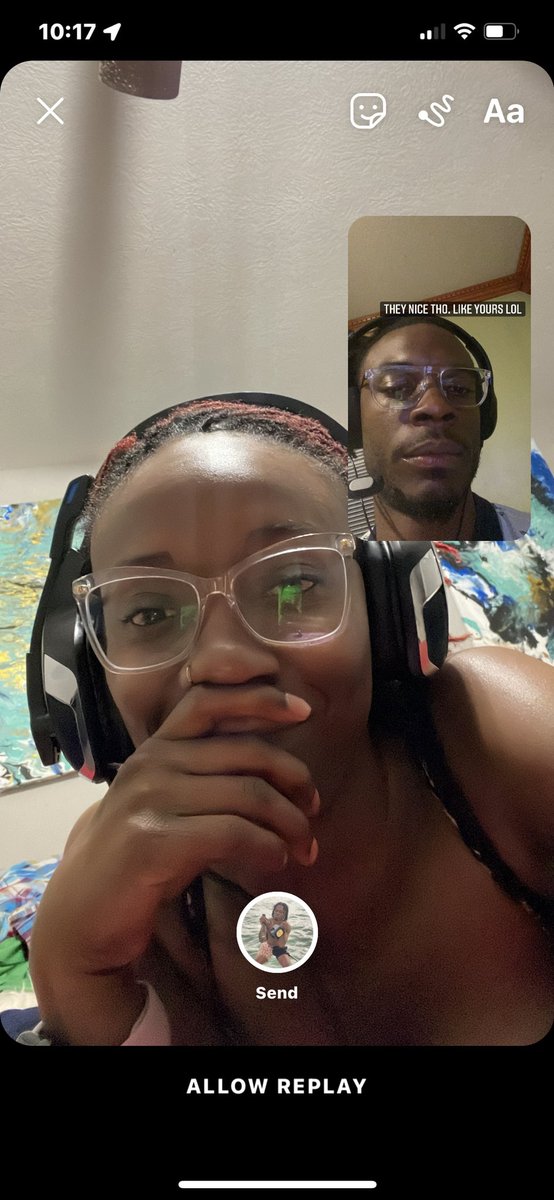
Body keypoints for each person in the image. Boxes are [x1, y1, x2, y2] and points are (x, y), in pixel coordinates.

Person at [13, 395, 554, 1047]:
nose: (223, 663)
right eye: (150, 614)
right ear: (87, 673)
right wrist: (73, 975)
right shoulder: (123, 890)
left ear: (385, 604)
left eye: (293, 586)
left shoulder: (503, 736)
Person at [348, 314, 530, 541]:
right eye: (397, 388)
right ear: (354, 419)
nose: (436, 406)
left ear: (484, 418)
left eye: (459, 388)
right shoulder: (337, 562)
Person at [256, 903, 293, 967]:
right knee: (256, 964)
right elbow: (261, 940)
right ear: (273, 911)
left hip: (279, 948)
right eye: (276, 910)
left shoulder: (286, 926)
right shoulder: (268, 921)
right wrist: (263, 925)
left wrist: (282, 930)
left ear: (284, 914)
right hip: (268, 946)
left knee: (288, 966)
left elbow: (281, 945)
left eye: (280, 912)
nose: (277, 913)